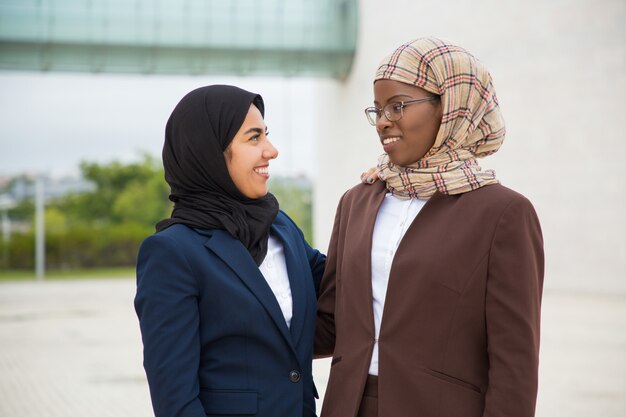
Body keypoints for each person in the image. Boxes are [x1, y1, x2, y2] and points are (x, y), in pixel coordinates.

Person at [315, 37, 544, 417]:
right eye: (378, 109)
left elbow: (514, 365)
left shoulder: (503, 213)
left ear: (451, 108)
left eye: (398, 106)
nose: (384, 121)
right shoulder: (356, 202)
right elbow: (330, 323)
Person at [134, 85, 326, 417]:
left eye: (266, 135)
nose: (272, 151)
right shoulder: (172, 253)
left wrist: (384, 192)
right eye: (254, 138)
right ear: (209, 151)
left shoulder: (280, 227)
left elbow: (348, 281)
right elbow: (176, 402)